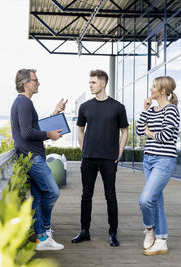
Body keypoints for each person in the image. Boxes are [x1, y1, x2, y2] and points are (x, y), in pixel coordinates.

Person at [10, 69, 67, 251]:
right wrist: (49, 134)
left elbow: (33, 127)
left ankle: (42, 238)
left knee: (38, 196)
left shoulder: (22, 103)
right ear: (26, 83)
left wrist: (54, 113)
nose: (38, 83)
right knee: (52, 192)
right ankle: (45, 230)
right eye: (35, 80)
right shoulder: (24, 103)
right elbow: (27, 133)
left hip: (31, 156)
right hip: (33, 157)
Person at [72, 69, 128, 247]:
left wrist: (120, 151)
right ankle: (84, 231)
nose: (90, 85)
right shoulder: (85, 107)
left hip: (108, 159)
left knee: (110, 195)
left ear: (103, 83)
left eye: (93, 82)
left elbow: (125, 131)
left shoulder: (118, 107)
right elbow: (80, 129)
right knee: (86, 195)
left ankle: (113, 233)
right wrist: (83, 150)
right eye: (90, 82)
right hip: (88, 158)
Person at [136, 76, 180, 256]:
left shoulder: (172, 110)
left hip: (164, 160)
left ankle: (149, 229)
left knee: (145, 199)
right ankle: (161, 239)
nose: (151, 89)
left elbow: (167, 136)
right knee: (155, 199)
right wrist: (145, 110)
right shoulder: (152, 109)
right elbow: (139, 131)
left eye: (154, 87)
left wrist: (149, 132)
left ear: (163, 91)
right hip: (149, 159)